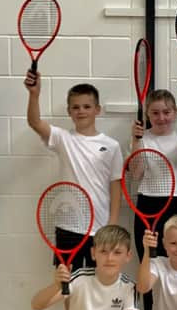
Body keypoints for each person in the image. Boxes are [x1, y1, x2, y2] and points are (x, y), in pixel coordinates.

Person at [25, 71, 123, 272]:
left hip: (101, 227)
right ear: (69, 111)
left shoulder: (111, 146)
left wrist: (112, 224)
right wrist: (34, 95)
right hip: (68, 226)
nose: (81, 111)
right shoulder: (63, 139)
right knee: (67, 284)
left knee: (100, 282)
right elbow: (35, 122)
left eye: (87, 106)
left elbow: (116, 186)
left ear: (98, 110)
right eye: (75, 107)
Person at [131, 89, 177, 310]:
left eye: (166, 112)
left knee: (173, 272)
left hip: (175, 205)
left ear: (175, 112)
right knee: (148, 271)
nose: (161, 117)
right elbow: (135, 174)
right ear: (147, 114)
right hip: (147, 206)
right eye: (155, 113)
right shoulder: (142, 138)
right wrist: (135, 141)